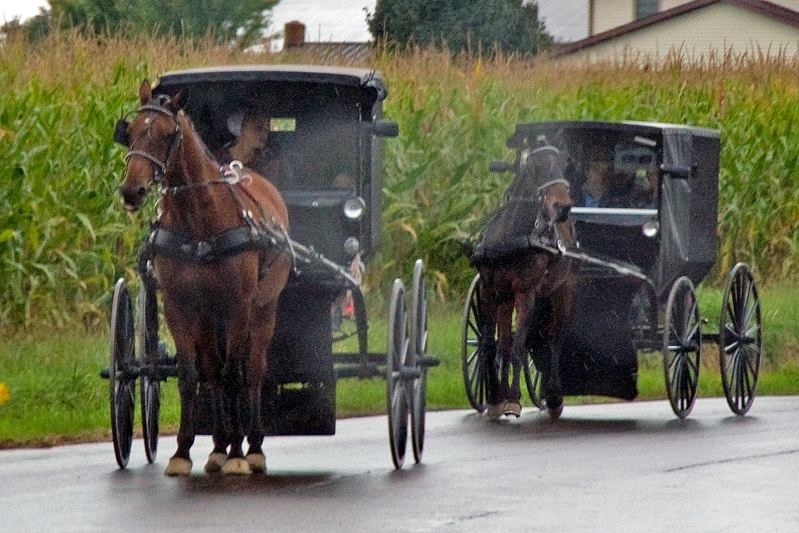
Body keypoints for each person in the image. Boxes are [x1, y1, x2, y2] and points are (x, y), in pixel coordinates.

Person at [214, 107, 294, 188]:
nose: (264, 133)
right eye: (258, 127)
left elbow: (269, 192)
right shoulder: (217, 158)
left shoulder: (268, 161)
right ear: (241, 129)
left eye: (266, 129)